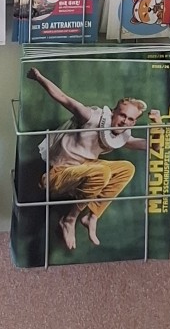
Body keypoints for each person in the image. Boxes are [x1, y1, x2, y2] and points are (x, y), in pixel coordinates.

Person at [25, 63, 155, 253]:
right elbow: (63, 98)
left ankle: (91, 217)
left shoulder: (120, 135)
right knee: (101, 172)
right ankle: (69, 219)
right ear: (113, 113)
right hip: (56, 175)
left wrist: (160, 128)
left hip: (84, 172)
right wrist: (38, 77)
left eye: (130, 119)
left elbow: (149, 145)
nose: (125, 122)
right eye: (122, 115)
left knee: (127, 168)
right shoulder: (91, 118)